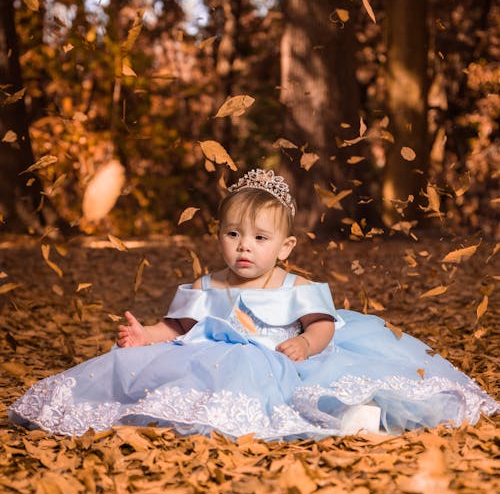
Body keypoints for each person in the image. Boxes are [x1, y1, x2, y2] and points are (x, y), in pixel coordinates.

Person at [9, 168, 499, 439]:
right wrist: (146, 337)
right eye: (233, 234)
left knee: (317, 391)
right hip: (220, 365)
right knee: (176, 381)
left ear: (283, 247)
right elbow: (178, 328)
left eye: (260, 238)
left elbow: (324, 324)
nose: (245, 246)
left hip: (289, 362)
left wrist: (307, 343)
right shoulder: (208, 286)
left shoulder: (294, 285)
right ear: (219, 237)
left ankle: (357, 414)